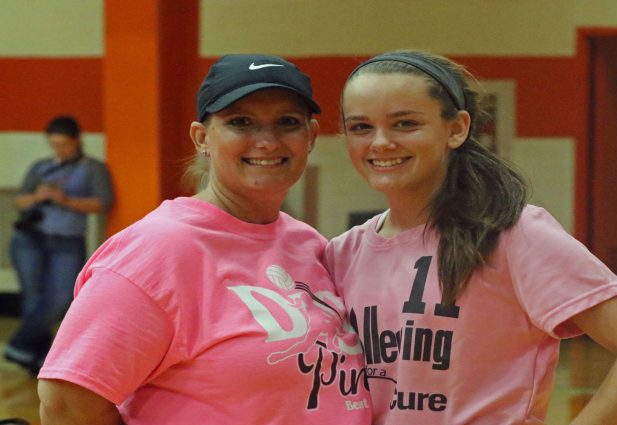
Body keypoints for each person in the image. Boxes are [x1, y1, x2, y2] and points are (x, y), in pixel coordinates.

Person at [326, 50, 617, 425]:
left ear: (456, 129)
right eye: (361, 127)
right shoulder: (342, 253)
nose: (380, 142)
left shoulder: (514, 234)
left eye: (404, 124)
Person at [36, 54, 371, 424]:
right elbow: (66, 403)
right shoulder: (159, 250)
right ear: (202, 138)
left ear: (309, 137)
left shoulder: (306, 242)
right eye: (240, 122)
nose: (267, 140)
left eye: (287, 122)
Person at [4, 116, 113, 375]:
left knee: (61, 298)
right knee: (33, 299)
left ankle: (18, 345)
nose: (59, 150)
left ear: (76, 141)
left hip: (66, 240)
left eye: (64, 144)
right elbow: (20, 201)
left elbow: (102, 203)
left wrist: (64, 200)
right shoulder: (41, 166)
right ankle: (38, 360)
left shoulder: (92, 167)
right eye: (54, 145)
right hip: (30, 239)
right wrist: (38, 196)